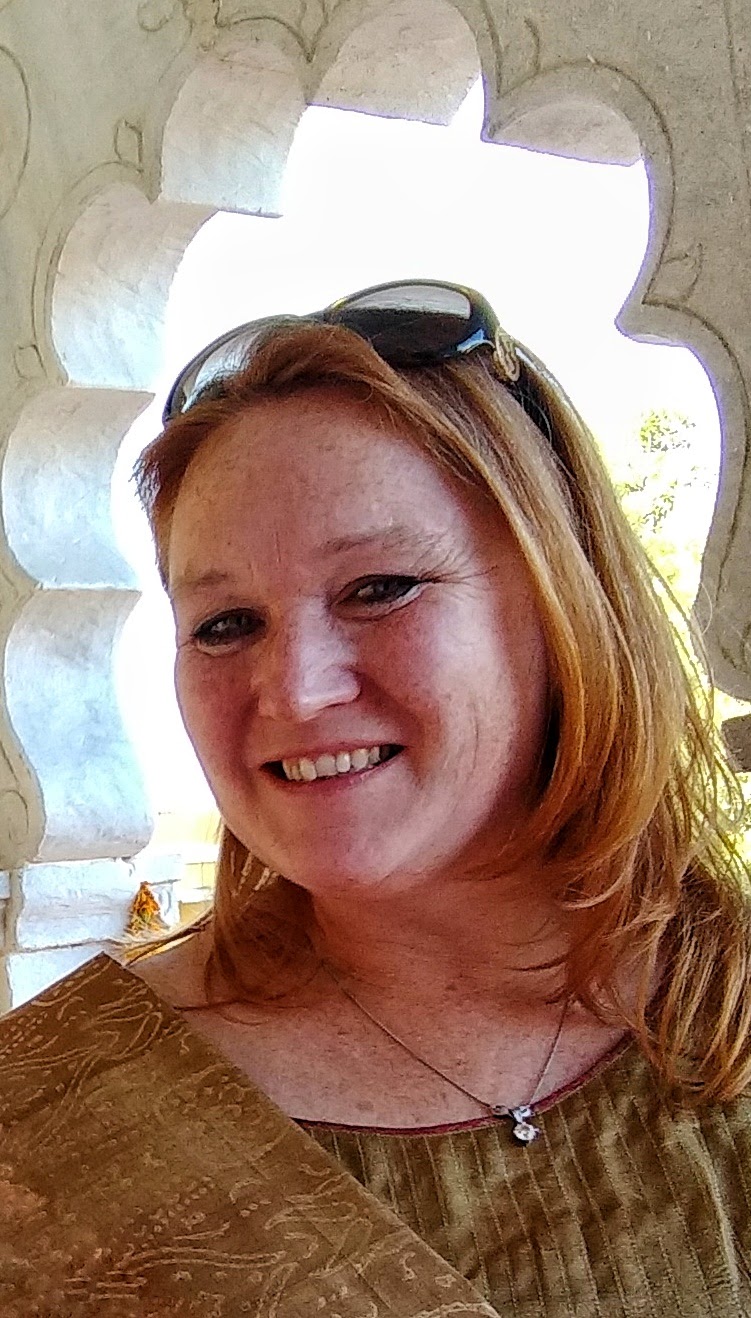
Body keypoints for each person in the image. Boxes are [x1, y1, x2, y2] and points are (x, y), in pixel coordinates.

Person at [1, 281, 750, 1317]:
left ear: (563, 605)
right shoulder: (52, 1121)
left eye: (379, 588)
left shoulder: (722, 1009)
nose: (295, 690)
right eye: (224, 624)